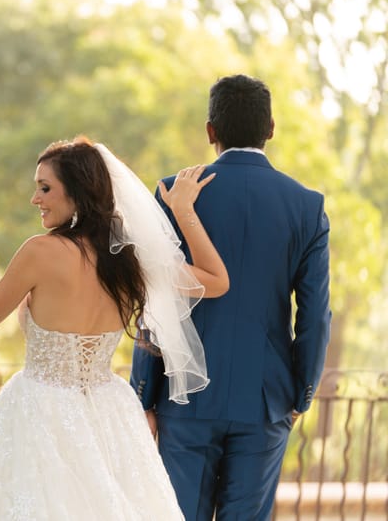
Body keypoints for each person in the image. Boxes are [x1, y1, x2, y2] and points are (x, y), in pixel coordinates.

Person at [0, 136, 229, 520]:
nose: (35, 199)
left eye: (45, 188)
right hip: (110, 412)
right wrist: (184, 212)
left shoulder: (40, 252)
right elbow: (217, 281)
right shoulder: (130, 261)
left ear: (77, 192)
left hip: (39, 409)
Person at [130, 74, 332, 520]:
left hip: (184, 398)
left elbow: (153, 303)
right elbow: (315, 317)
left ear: (210, 131)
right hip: (265, 399)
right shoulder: (306, 206)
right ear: (271, 129)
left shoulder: (171, 194)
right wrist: (301, 394)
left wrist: (143, 394)